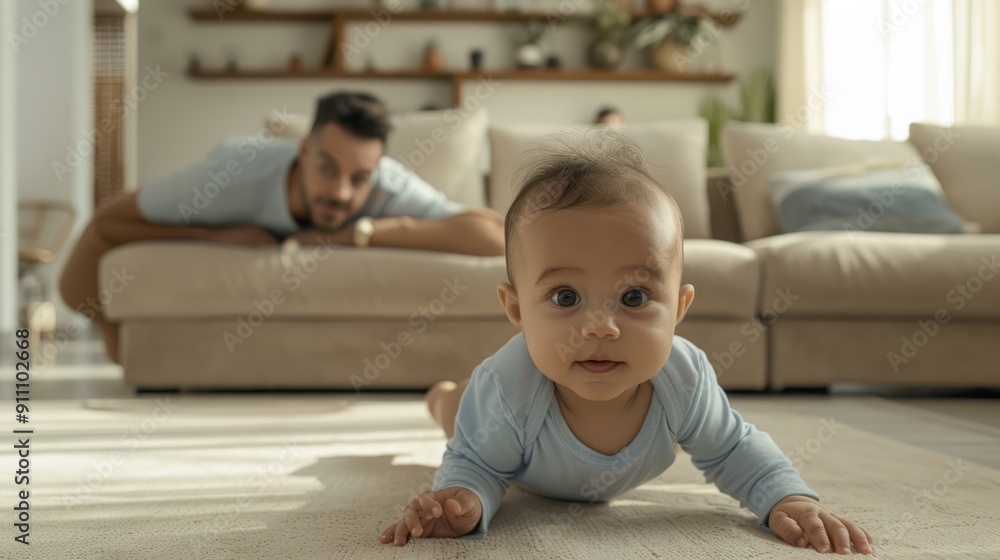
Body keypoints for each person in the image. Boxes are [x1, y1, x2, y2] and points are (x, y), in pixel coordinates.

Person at [379, 129, 875, 555]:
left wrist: (788, 498)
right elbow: (478, 464)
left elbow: (733, 451)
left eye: (633, 296)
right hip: (494, 418)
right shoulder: (506, 387)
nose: (600, 327)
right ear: (517, 311)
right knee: (458, 409)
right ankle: (441, 395)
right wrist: (464, 498)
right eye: (566, 296)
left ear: (679, 309)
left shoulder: (683, 377)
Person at [59, 91, 505, 363]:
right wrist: (213, 235)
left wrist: (357, 234)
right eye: (328, 168)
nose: (343, 193)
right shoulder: (233, 173)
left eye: (359, 178)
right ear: (304, 151)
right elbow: (110, 217)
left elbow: (494, 237)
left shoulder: (386, 185)